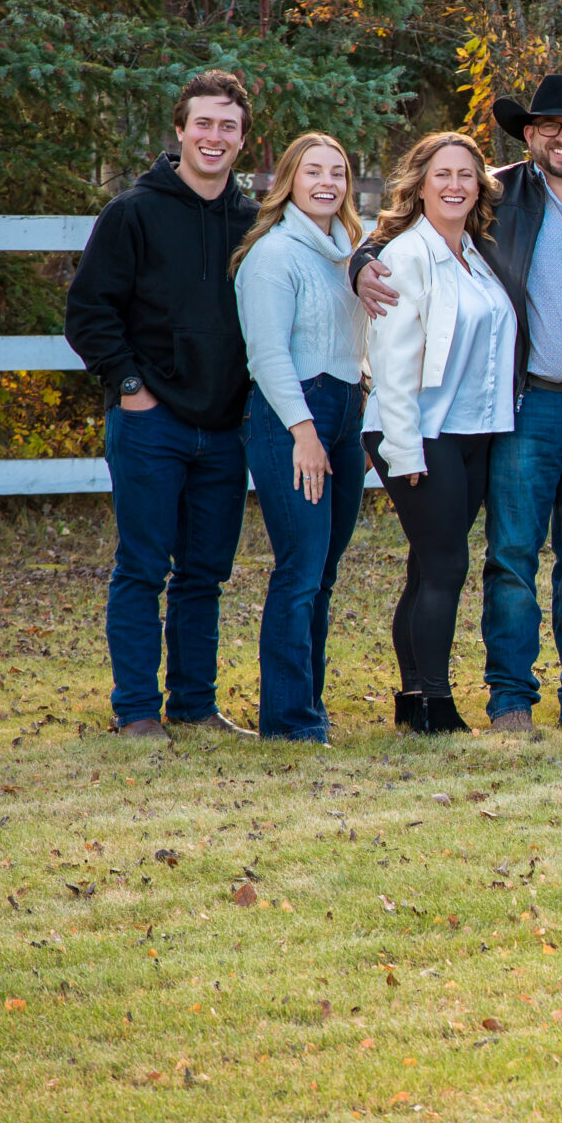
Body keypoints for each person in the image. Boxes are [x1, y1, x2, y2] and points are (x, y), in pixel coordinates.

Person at [355, 72, 562, 735]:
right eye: (549, 126)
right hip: (529, 407)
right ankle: (511, 701)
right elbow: (415, 224)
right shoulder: (499, 195)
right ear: (529, 134)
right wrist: (360, 262)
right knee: (513, 556)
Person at [65, 71, 260, 739]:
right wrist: (130, 388)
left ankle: (195, 705)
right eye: (203, 123)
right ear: (180, 129)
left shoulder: (254, 222)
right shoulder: (132, 213)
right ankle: (137, 711)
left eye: (228, 126)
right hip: (152, 422)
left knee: (204, 573)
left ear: (242, 139)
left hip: (225, 427)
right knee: (143, 567)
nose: (214, 136)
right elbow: (90, 314)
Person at [359, 133, 519, 736]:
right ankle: (437, 705)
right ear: (420, 185)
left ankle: (413, 700)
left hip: (473, 431)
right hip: (419, 432)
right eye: (442, 175)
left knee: (427, 567)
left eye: (466, 175)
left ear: (480, 186)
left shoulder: (475, 254)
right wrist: (404, 450)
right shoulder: (407, 255)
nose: (455, 185)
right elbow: (392, 365)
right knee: (447, 566)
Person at [230, 131, 368, 744]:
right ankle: (288, 721)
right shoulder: (274, 255)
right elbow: (267, 355)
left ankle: (308, 705)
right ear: (289, 179)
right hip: (294, 416)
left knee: (324, 571)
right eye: (314, 171)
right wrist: (304, 433)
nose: (327, 182)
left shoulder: (345, 254)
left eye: (337, 172)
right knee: (301, 569)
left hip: (344, 411)